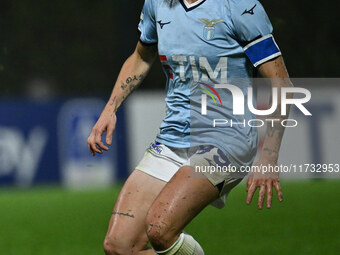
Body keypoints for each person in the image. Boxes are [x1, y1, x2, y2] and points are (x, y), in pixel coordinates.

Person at [87, 0, 290, 254]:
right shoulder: (156, 4)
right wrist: (110, 108)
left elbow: (282, 84)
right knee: (119, 246)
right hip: (173, 138)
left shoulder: (239, 6)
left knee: (160, 229)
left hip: (227, 139)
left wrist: (269, 157)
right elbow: (141, 56)